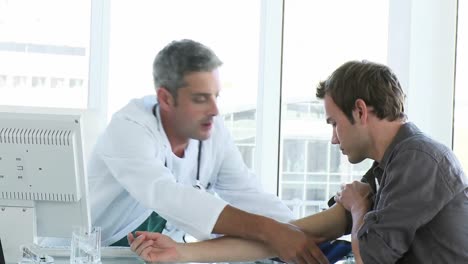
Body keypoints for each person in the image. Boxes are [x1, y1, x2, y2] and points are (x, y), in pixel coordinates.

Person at [128, 60, 468, 263]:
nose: (334, 138)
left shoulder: (418, 161)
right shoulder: (390, 164)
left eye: (334, 123)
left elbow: (371, 259)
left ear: (361, 111)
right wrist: (184, 253)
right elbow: (296, 233)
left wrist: (358, 208)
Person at [87, 39, 327, 263]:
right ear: (166, 99)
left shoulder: (212, 132)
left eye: (216, 96)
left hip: (155, 252)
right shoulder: (129, 128)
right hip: (96, 253)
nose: (214, 110)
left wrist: (299, 232)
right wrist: (271, 231)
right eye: (201, 99)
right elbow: (169, 197)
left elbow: (249, 194)